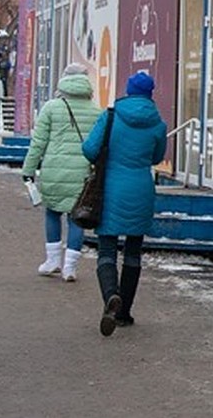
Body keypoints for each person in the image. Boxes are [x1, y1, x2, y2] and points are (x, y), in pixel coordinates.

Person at [82, 71, 167, 337]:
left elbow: (89, 149)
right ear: (150, 94)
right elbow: (157, 157)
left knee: (107, 250)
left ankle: (111, 295)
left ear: (128, 90)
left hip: (111, 190)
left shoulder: (110, 116)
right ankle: (124, 313)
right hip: (141, 190)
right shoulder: (158, 123)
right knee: (133, 252)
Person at [20, 62, 102, 281]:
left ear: (64, 80)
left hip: (54, 171)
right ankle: (70, 267)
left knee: (53, 212)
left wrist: (28, 170)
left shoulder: (51, 107)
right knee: (77, 217)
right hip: (83, 175)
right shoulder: (96, 111)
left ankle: (52, 261)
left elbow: (38, 143)